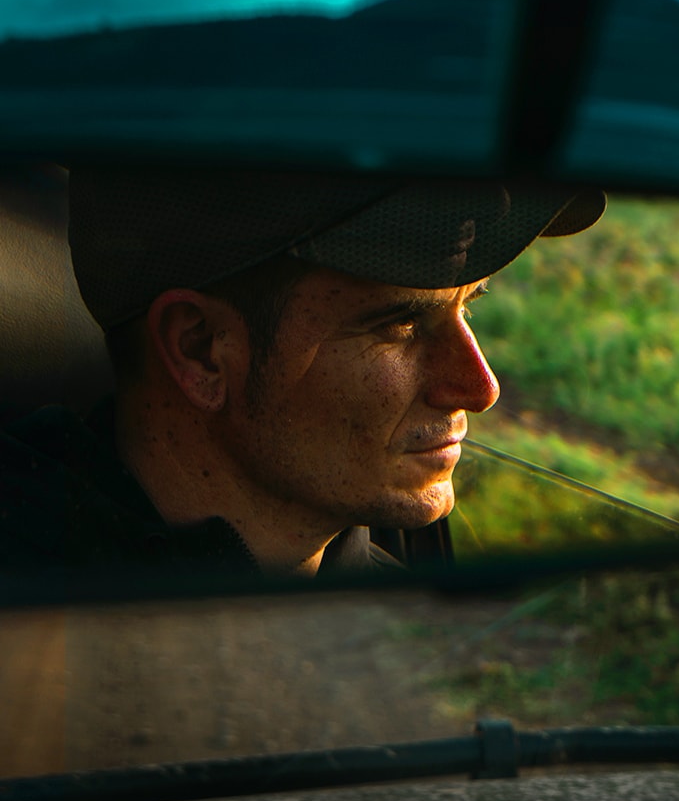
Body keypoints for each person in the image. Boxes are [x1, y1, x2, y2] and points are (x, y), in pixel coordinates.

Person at [0, 168, 605, 582]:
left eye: (469, 305)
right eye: (398, 323)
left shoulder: (408, 625)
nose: (480, 387)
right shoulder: (35, 609)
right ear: (201, 349)